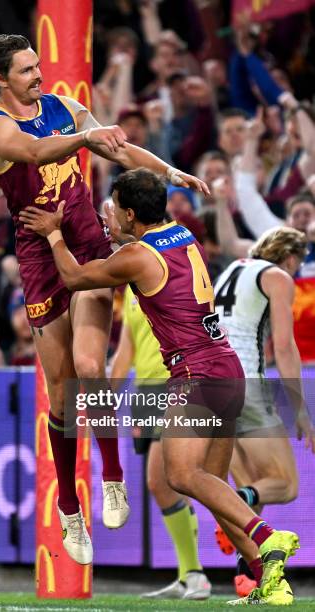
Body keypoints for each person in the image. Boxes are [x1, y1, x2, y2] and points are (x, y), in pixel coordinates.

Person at [19, 167, 304, 605]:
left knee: (182, 474)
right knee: (212, 483)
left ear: (133, 214)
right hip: (228, 368)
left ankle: (268, 537)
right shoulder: (183, 235)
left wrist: (55, 235)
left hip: (195, 374)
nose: (108, 217)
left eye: (113, 210)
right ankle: (271, 580)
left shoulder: (138, 256)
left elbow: (75, 279)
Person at [0, 33, 208, 565]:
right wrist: (85, 139)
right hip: (38, 250)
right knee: (61, 394)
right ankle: (67, 505)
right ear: (0, 80)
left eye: (37, 66)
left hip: (85, 238)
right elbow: (36, 151)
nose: (38, 76)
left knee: (90, 365)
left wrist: (170, 173)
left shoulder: (61, 106)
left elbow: (118, 148)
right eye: (26, 70)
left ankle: (112, 477)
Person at [214, 227, 315, 598]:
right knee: (284, 484)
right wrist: (301, 410)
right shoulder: (277, 276)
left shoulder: (229, 270)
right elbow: (285, 347)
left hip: (210, 383)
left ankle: (250, 573)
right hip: (245, 385)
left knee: (255, 488)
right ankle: (234, 505)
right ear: (290, 258)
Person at [111, 284, 211, 601]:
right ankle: (188, 575)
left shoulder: (167, 272)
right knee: (162, 484)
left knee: (165, 478)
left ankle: (195, 573)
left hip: (176, 382)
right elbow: (126, 347)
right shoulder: (129, 288)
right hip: (146, 391)